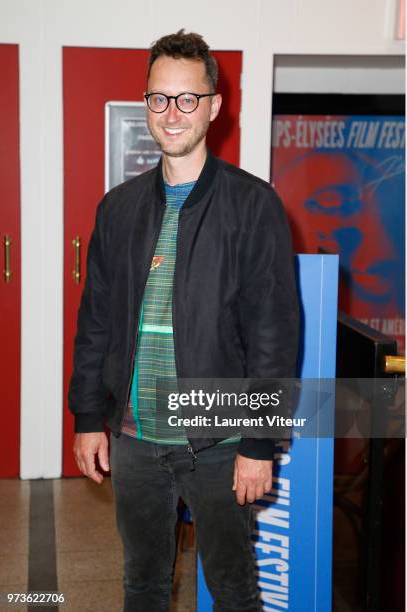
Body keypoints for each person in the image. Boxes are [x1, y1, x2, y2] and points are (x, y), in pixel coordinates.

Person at [69, 30, 299, 612]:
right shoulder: (117, 210)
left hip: (221, 439)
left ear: (214, 106)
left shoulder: (254, 206)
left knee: (233, 588)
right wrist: (88, 416)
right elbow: (95, 320)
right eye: (159, 98)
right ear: (146, 103)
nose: (173, 114)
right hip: (135, 438)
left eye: (187, 99)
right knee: (142, 584)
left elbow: (274, 336)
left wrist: (259, 442)